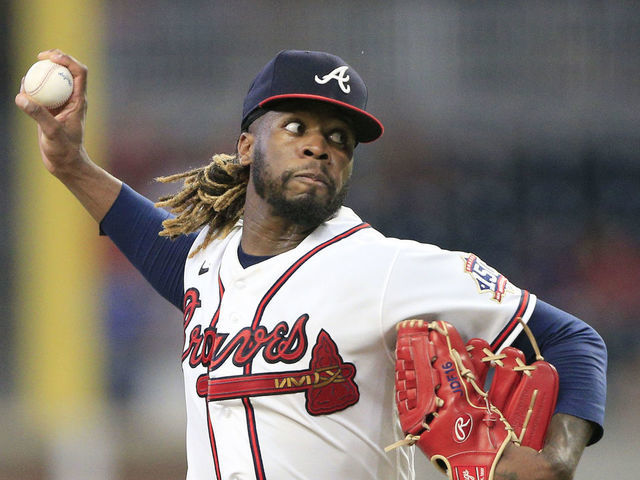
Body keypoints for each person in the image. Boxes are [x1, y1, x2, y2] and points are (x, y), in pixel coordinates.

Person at [16, 48, 606, 480]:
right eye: (295, 126)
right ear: (248, 146)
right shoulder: (207, 264)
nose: (319, 145)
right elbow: (160, 247)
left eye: (340, 137)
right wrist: (70, 163)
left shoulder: (388, 268)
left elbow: (574, 339)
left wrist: (555, 459)